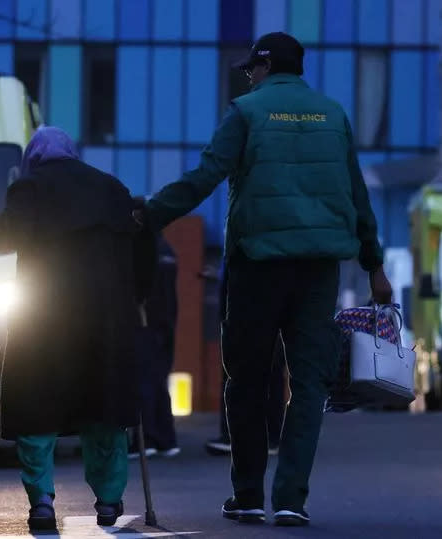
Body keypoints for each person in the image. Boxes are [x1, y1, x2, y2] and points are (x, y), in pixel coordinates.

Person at [136, 32, 392, 527]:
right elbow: (358, 195)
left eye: (251, 67)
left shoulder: (248, 112)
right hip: (319, 268)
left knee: (246, 378)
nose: (248, 76)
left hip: (259, 264)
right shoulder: (333, 115)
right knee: (310, 382)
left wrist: (149, 214)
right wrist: (373, 265)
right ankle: (292, 498)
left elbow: (206, 176)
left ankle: (249, 494)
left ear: (267, 65)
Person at [0, 127, 155, 531]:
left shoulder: (30, 188)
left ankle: (41, 501)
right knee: (103, 411)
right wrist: (139, 296)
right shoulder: (112, 188)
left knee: (37, 410)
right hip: (104, 320)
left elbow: (7, 233)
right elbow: (141, 245)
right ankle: (109, 500)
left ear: (35, 156)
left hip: (45, 319)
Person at [206, 265, 286, 457]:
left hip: (251, 274)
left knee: (243, 361)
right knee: (269, 361)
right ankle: (268, 434)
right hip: (272, 276)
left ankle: (243, 434)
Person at [130, 234, 181, 459]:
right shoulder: (166, 248)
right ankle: (166, 439)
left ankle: (148, 439)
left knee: (144, 382)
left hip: (145, 322)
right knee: (159, 381)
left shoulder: (142, 249)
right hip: (166, 322)